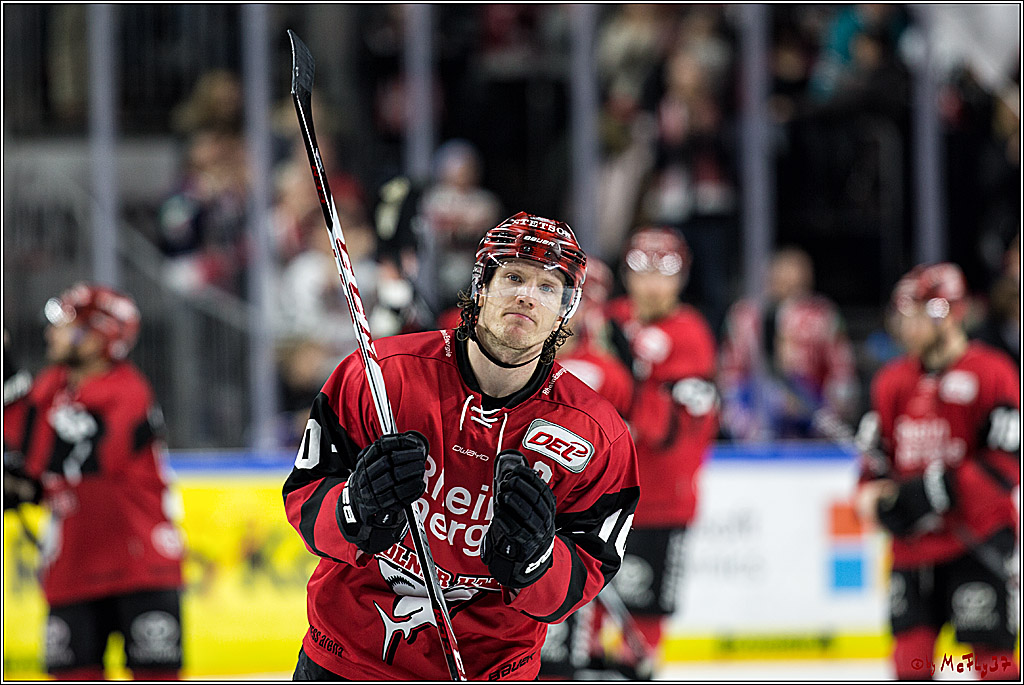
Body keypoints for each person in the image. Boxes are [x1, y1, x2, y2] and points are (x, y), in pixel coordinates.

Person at [283, 212, 641, 680]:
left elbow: (582, 578)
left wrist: (537, 561)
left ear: (565, 311)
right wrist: (355, 507)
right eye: (512, 276)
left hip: (490, 670)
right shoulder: (380, 376)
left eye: (548, 287)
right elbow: (304, 499)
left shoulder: (598, 433)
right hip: (349, 660)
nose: (527, 296)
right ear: (481, 287)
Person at [2, 283, 186, 680]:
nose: (52, 332)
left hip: (141, 570)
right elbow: (32, 469)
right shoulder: (53, 384)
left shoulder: (128, 393)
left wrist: (6, 381)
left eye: (66, 324)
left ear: (97, 336)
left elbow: (67, 456)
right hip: (72, 570)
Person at [853, 263, 1020, 681]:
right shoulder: (891, 382)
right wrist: (878, 499)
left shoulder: (992, 372)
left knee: (990, 663)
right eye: (904, 314)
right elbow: (874, 462)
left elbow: (1007, 461)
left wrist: (941, 489)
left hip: (975, 542)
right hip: (913, 549)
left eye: (919, 313)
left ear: (950, 312)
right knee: (912, 665)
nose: (908, 325)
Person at [604, 227, 718, 673]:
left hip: (662, 500)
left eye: (664, 273)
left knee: (644, 619)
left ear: (681, 278)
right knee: (585, 611)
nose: (652, 284)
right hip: (601, 495)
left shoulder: (689, 333)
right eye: (641, 271)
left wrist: (630, 374)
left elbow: (669, 428)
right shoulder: (608, 318)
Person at [539, 258, 635, 679]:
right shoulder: (511, 364)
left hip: (567, 519)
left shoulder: (604, 371)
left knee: (559, 649)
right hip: (508, 515)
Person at [719, 246, 858, 441]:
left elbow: (842, 373)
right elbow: (730, 378)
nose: (786, 279)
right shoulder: (744, 315)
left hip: (811, 410)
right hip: (756, 410)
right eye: (780, 272)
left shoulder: (823, 315)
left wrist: (828, 422)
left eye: (795, 273)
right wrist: (745, 427)